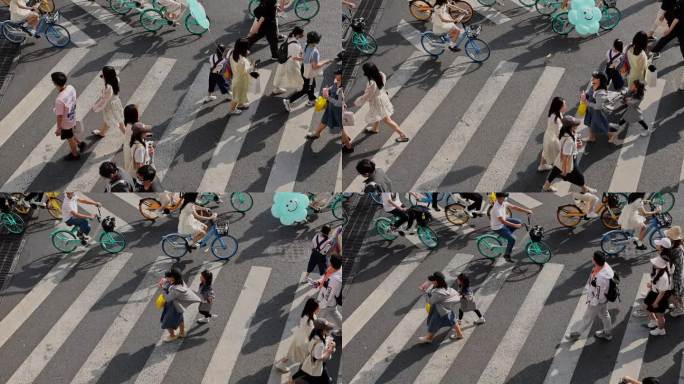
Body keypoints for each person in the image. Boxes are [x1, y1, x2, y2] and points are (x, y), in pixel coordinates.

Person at [353, 62, 409, 142]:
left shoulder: (371, 83)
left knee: (387, 120)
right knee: (377, 114)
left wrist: (358, 102)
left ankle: (402, 135)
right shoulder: (381, 74)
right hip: (382, 97)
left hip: (377, 102)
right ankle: (375, 129)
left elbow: (367, 95)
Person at [566, 251, 614, 341]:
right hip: (604, 298)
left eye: (593, 257)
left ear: (595, 261)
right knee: (604, 314)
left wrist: (592, 302)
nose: (591, 258)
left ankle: (576, 334)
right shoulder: (605, 266)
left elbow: (598, 294)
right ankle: (607, 333)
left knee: (587, 318)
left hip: (598, 301)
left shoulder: (601, 278)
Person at [543, 116, 597, 193]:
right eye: (575, 125)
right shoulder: (569, 140)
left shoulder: (564, 132)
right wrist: (565, 170)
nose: (577, 126)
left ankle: (546, 186)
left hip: (561, 157)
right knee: (579, 176)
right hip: (570, 159)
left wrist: (576, 143)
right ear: (571, 127)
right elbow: (566, 157)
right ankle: (584, 188)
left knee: (556, 169)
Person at [284, 31, 331, 111]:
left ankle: (312, 99)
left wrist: (298, 58)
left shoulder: (306, 45)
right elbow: (315, 66)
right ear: (316, 41)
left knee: (311, 84)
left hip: (304, 68)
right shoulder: (314, 52)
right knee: (305, 89)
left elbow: (304, 57)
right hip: (309, 71)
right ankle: (288, 100)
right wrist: (326, 61)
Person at [275, 298, 319, 373]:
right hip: (303, 341)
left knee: (292, 353)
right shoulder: (310, 321)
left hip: (299, 337)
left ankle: (281, 364)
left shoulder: (306, 315)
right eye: (317, 308)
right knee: (298, 355)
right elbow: (311, 334)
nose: (318, 309)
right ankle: (282, 365)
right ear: (313, 308)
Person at [159, 268, 201, 342]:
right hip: (178, 306)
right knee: (180, 319)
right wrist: (166, 281)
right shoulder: (180, 281)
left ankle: (172, 336)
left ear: (173, 278)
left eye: (168, 277)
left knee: (167, 322)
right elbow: (170, 284)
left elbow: (168, 298)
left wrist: (162, 288)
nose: (166, 278)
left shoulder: (176, 290)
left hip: (174, 307)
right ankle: (182, 333)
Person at [489, 192, 533, 262]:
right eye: (504, 197)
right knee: (512, 239)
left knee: (518, 221)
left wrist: (526, 211)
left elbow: (514, 207)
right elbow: (503, 222)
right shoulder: (496, 209)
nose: (505, 198)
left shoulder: (503, 202)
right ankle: (507, 255)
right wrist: (516, 226)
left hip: (504, 220)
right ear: (499, 198)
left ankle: (507, 234)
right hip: (498, 227)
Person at [418, 271, 460, 343]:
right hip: (446, 309)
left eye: (433, 280)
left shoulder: (438, 292)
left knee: (433, 324)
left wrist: (424, 293)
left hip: (440, 311)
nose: (432, 282)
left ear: (437, 281)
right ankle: (459, 334)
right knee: (453, 321)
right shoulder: (444, 286)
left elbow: (430, 301)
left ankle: (429, 338)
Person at [289, 319, 336, 384]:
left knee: (304, 373)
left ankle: (291, 381)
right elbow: (319, 357)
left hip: (310, 361)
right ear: (322, 330)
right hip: (316, 365)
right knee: (315, 377)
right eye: (327, 329)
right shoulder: (320, 344)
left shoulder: (314, 335)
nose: (330, 331)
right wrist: (329, 351)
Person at [306, 68, 345, 145]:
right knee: (325, 119)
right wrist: (327, 90)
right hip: (331, 107)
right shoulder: (336, 81)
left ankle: (347, 141)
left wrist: (328, 98)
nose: (335, 76)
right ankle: (317, 133)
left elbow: (338, 103)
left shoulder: (341, 89)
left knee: (341, 125)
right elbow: (332, 87)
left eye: (337, 74)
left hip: (337, 110)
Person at [52, 72, 84, 160]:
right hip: (72, 116)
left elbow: (59, 116)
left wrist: (58, 128)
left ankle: (75, 154)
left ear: (55, 83)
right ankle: (80, 143)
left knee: (69, 138)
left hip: (66, 123)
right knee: (71, 133)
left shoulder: (59, 100)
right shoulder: (71, 87)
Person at [582, 72, 616, 144]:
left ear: (600, 80)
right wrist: (585, 95)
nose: (592, 80)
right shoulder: (594, 85)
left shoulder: (601, 93)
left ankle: (611, 135)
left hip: (596, 112)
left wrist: (587, 103)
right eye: (593, 77)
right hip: (591, 110)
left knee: (600, 126)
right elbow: (589, 93)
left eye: (595, 78)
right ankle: (592, 137)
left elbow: (598, 106)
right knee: (590, 124)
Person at [91, 66, 125, 138]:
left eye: (103, 74)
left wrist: (95, 107)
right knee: (108, 119)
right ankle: (102, 133)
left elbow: (104, 100)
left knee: (119, 122)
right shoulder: (116, 79)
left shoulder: (108, 87)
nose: (102, 75)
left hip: (110, 106)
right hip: (116, 102)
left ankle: (129, 139)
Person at [645, 249, 672, 336]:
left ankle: (661, 329)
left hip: (659, 297)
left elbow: (662, 293)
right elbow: (655, 281)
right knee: (648, 308)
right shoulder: (658, 270)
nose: (653, 263)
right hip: (653, 293)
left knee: (660, 315)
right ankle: (654, 321)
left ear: (659, 265)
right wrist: (651, 284)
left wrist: (656, 302)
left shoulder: (663, 277)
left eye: (655, 262)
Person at [452, 273, 485, 339]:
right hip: (469, 302)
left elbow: (468, 296)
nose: (457, 280)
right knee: (474, 309)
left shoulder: (466, 289)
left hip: (467, 303)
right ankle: (481, 318)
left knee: (461, 310)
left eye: (458, 279)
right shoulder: (463, 285)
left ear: (462, 281)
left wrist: (462, 296)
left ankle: (459, 321)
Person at [272, 26, 304, 95]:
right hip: (291, 63)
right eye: (302, 34)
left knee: (280, 75)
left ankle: (276, 89)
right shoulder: (295, 45)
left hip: (283, 60)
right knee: (297, 75)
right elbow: (295, 57)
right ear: (298, 34)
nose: (303, 35)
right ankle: (300, 88)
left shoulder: (289, 38)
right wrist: (304, 58)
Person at [315, 256, 342, 337]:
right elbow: (326, 276)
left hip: (327, 304)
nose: (328, 263)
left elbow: (328, 297)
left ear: (332, 264)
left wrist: (319, 306)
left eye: (330, 262)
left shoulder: (335, 280)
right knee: (334, 313)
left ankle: (319, 335)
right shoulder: (338, 268)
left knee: (320, 319)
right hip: (331, 303)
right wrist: (319, 281)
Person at [122, 104, 151, 175]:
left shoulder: (128, 126)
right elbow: (139, 164)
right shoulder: (137, 129)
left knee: (129, 167)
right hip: (138, 164)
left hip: (129, 151)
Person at [539, 96, 565, 171]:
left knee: (546, 152)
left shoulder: (554, 113)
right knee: (559, 154)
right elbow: (558, 133)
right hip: (553, 140)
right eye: (564, 105)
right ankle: (561, 169)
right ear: (559, 107)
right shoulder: (556, 120)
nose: (565, 106)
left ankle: (542, 166)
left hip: (548, 137)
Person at [228, 38, 253, 115]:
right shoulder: (241, 61)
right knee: (236, 97)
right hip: (240, 81)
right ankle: (232, 110)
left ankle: (241, 104)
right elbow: (244, 72)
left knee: (240, 93)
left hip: (236, 77)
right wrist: (253, 66)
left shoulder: (232, 53)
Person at [665, 226, 684, 316]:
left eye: (669, 236)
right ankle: (679, 306)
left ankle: (679, 308)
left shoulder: (675, 249)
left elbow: (671, 262)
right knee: (677, 293)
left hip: (676, 275)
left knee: (674, 293)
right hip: (679, 273)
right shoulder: (678, 246)